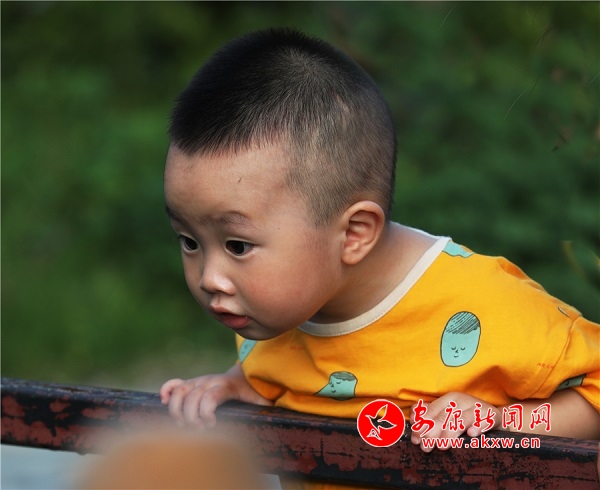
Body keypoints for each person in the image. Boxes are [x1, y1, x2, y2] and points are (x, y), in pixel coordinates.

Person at [160, 28, 599, 460]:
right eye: (190, 240)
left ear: (354, 234)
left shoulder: (487, 305)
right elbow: (280, 371)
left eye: (237, 246)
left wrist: (503, 422)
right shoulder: (274, 313)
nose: (210, 278)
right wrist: (238, 384)